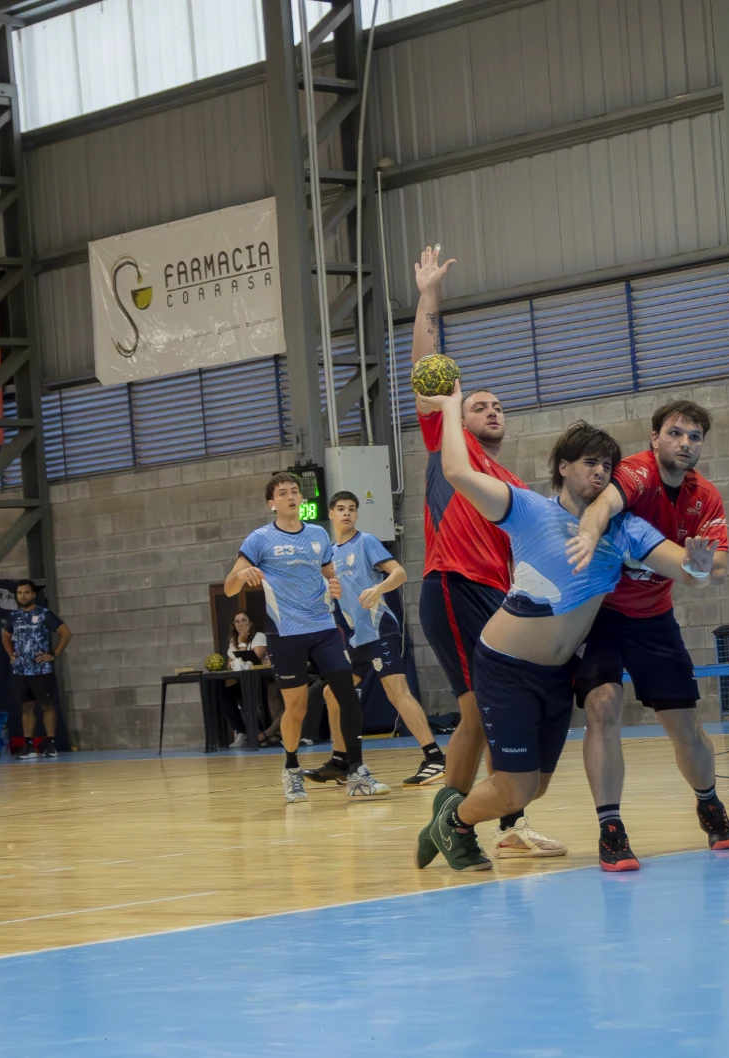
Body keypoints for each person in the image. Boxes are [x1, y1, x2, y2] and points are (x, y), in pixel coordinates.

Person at [416, 386, 718, 872]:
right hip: (505, 668)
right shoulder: (528, 510)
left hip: (557, 676)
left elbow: (686, 571)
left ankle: (456, 817)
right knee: (513, 787)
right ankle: (453, 823)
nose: (598, 472)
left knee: (534, 786)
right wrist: (451, 410)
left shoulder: (624, 531)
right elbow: (456, 471)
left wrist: (699, 565)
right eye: (587, 463)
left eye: (606, 466)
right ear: (563, 467)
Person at [410, 246, 563, 858]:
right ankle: (486, 827)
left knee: (480, 716)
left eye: (499, 406)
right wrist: (427, 297)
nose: (491, 409)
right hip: (454, 585)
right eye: (479, 404)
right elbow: (430, 372)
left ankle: (459, 825)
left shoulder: (512, 487)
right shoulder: (450, 445)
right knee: (483, 711)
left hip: (500, 598)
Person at [565, 399, 729, 871]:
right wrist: (587, 535)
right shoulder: (636, 473)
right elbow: (604, 505)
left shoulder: (707, 497)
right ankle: (611, 827)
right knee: (602, 706)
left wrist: (699, 563)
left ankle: (708, 801)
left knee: (685, 728)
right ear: (655, 438)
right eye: (676, 433)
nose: (685, 443)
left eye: (695, 437)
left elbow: (716, 567)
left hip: (655, 618)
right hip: (600, 614)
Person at [224, 472, 389, 803]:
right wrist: (242, 575)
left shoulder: (317, 535)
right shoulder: (259, 539)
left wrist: (336, 585)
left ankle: (356, 770)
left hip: (324, 628)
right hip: (286, 634)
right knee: (296, 707)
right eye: (282, 493)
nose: (290, 496)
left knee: (346, 692)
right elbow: (229, 587)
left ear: (302, 499)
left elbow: (330, 574)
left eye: (295, 491)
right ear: (272, 503)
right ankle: (291, 768)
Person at [309, 490, 447, 788]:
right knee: (332, 695)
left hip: (380, 629)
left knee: (397, 692)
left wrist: (378, 589)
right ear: (331, 514)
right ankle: (341, 760)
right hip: (357, 638)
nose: (347, 513)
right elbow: (337, 590)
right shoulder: (330, 554)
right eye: (341, 509)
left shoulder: (366, 542)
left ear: (356, 515)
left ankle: (434, 758)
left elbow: (399, 573)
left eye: (352, 509)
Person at [1, 579, 72, 761]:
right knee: (26, 707)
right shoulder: (14, 616)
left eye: (26, 592)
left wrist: (53, 654)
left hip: (41, 669)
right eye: (19, 593)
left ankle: (50, 743)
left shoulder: (44, 613)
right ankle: (29, 745)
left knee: (47, 705)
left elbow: (65, 632)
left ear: (33, 595)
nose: (22, 596)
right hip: (21, 670)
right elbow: (6, 636)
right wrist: (11, 654)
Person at [218, 611, 272, 749]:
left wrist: (242, 643)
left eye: (244, 620)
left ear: (251, 623)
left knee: (250, 695)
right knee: (224, 694)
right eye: (237, 621)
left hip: (262, 682)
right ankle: (242, 732)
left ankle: (260, 731)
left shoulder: (259, 637)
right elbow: (230, 664)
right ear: (233, 625)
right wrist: (240, 652)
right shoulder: (232, 640)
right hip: (244, 682)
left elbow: (254, 659)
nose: (241, 624)